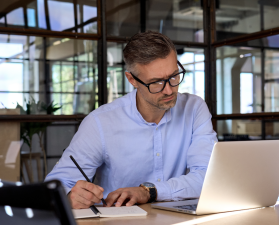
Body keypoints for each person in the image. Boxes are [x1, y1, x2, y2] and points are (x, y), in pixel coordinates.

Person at [45, 31, 217, 209]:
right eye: (156, 82)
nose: (169, 90)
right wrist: (69, 195)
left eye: (174, 76)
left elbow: (208, 176)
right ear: (132, 80)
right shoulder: (101, 122)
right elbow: (55, 185)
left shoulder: (194, 108)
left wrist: (149, 191)